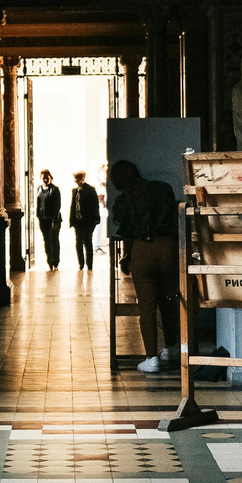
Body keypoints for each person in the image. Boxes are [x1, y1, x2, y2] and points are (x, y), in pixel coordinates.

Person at [109, 159, 180, 373]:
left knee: (147, 308)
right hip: (167, 248)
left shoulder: (123, 202)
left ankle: (151, 357)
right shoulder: (163, 188)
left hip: (142, 250)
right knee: (169, 301)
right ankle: (173, 348)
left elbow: (125, 231)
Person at [68, 170, 101, 270]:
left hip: (88, 221)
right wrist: (72, 220)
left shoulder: (90, 189)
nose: (75, 180)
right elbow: (73, 206)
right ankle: (81, 264)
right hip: (78, 221)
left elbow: (95, 205)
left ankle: (89, 264)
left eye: (77, 178)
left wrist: (95, 219)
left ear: (82, 178)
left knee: (87, 242)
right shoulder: (75, 191)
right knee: (78, 243)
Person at [34, 169, 63, 270]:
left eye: (47, 178)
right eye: (43, 178)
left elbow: (57, 205)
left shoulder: (55, 190)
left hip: (53, 219)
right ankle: (49, 261)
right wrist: (38, 216)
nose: (45, 180)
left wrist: (54, 220)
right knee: (46, 240)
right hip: (43, 219)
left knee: (54, 240)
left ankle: (55, 262)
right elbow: (38, 203)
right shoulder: (39, 189)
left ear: (50, 178)